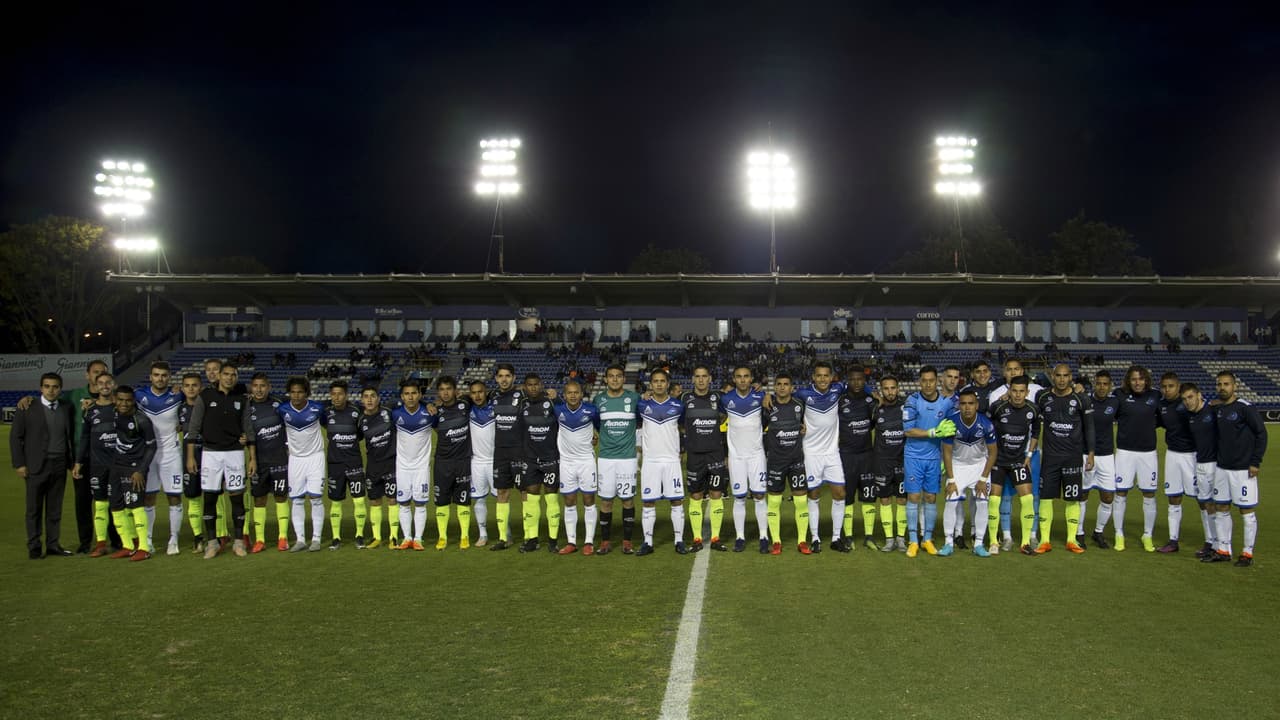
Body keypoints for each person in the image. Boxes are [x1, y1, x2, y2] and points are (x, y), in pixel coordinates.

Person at [17, 359, 111, 552]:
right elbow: (50, 399)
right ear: (87, 375)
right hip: (80, 458)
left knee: (111, 500)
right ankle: (85, 543)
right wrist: (29, 398)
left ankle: (116, 541)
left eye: (102, 372)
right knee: (82, 502)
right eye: (95, 372)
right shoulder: (73, 396)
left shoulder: (116, 398)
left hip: (107, 456)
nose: (98, 375)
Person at [187, 362, 250, 559]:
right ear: (220, 376)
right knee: (210, 498)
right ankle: (212, 543)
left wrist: (251, 455)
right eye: (226, 374)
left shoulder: (241, 399)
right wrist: (190, 456)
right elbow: (193, 427)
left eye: (233, 375)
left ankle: (238, 542)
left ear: (237, 377)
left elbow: (247, 428)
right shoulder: (205, 396)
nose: (229, 378)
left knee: (237, 498)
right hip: (211, 454)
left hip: (235, 453)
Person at [10, 372, 77, 559]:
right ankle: (34, 546)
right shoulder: (27, 407)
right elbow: (15, 437)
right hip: (36, 466)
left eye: (55, 387)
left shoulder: (66, 407)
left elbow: (70, 434)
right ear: (41, 388)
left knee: (55, 509)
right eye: (47, 386)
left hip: (59, 464)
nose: (51, 390)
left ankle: (53, 544)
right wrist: (19, 464)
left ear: (60, 389)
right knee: (34, 509)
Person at [1207, 371, 1267, 567]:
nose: (1222, 388)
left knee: (1246, 510)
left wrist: (1255, 462)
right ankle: (1224, 550)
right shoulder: (1218, 409)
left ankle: (1247, 553)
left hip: (1243, 469)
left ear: (1235, 386)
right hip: (1222, 468)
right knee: (1221, 508)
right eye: (1219, 384)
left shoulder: (1245, 408)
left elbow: (1261, 434)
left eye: (1226, 384)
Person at [1035, 363, 1094, 554]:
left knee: (1073, 498)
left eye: (1065, 375)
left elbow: (1089, 427)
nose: (1061, 379)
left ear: (1070, 377)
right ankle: (1044, 540)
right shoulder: (1042, 396)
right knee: (1046, 497)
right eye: (1058, 375)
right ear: (1052, 376)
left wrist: (1091, 453)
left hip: (1072, 457)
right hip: (1050, 458)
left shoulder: (1081, 398)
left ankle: (1071, 539)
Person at [793, 361, 848, 553]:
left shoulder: (838, 389)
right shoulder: (803, 394)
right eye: (819, 375)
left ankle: (836, 538)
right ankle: (815, 537)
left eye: (826, 375)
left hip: (832, 452)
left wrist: (873, 393)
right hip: (811, 453)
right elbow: (787, 403)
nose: (823, 379)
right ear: (813, 377)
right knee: (814, 494)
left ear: (831, 377)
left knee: (839, 493)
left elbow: (859, 386)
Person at [901, 366, 957, 557]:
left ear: (937, 381)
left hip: (934, 458)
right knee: (914, 497)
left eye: (931, 380)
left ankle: (927, 539)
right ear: (919, 381)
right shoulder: (912, 400)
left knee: (931, 498)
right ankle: (913, 541)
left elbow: (951, 429)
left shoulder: (946, 404)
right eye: (924, 381)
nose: (927, 384)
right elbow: (908, 430)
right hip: (913, 457)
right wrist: (932, 433)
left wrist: (944, 457)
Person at [134, 361, 185, 556]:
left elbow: (198, 394)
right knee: (148, 497)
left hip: (171, 454)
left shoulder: (178, 395)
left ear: (169, 377)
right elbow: (116, 400)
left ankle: (174, 539)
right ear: (150, 377)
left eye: (164, 375)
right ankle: (147, 540)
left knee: (174, 496)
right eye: (156, 375)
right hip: (147, 454)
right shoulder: (138, 395)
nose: (160, 378)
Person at [986, 376, 1040, 555]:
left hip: (1018, 461)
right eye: (1014, 391)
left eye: (1021, 391)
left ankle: (1025, 543)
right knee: (994, 500)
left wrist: (1029, 455)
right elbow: (987, 429)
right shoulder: (998, 407)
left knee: (1028, 499)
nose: (1017, 395)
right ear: (1009, 391)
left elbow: (1036, 433)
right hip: (999, 461)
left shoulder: (1033, 410)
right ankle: (994, 541)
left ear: (1027, 392)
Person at [939, 387, 996, 557]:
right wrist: (951, 480)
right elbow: (947, 452)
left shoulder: (986, 424)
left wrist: (983, 478)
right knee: (950, 501)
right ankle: (948, 542)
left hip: (979, 466)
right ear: (959, 405)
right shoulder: (951, 422)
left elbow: (993, 452)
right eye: (963, 404)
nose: (967, 407)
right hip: (958, 466)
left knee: (982, 502)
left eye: (971, 403)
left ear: (977, 405)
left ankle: (978, 543)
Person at [103, 386, 158, 561]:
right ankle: (127, 546)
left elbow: (152, 447)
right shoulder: (114, 413)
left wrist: (141, 470)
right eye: (120, 400)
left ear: (133, 401)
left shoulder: (142, 420)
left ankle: (144, 548)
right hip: (116, 466)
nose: (124, 404)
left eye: (128, 400)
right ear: (115, 399)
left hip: (134, 469)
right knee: (116, 506)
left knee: (136, 506)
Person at [636, 368, 687, 555]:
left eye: (662, 381)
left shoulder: (678, 406)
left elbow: (683, 427)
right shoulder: (642, 405)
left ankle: (679, 541)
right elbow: (637, 424)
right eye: (655, 381)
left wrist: (681, 450)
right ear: (651, 384)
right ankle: (647, 542)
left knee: (676, 501)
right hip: (650, 461)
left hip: (671, 460)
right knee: (649, 502)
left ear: (667, 384)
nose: (659, 384)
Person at [1112, 365, 1161, 552]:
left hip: (1148, 453)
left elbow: (1163, 416)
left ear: (1146, 380)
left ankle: (1147, 535)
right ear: (1128, 381)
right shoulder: (1119, 395)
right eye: (1134, 379)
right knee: (1120, 493)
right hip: (1125, 452)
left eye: (1141, 379)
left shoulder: (1155, 396)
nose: (1137, 382)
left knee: (1149, 494)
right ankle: (1119, 534)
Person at [592, 364, 640, 554]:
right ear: (605, 379)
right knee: (606, 501)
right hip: (605, 458)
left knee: (627, 500)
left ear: (624, 379)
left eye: (618, 376)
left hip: (627, 459)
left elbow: (641, 420)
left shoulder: (634, 398)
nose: (614, 379)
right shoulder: (598, 400)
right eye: (611, 376)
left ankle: (627, 541)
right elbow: (597, 424)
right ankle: (605, 541)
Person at [721, 365, 769, 553]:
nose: (742, 379)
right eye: (739, 376)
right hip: (736, 457)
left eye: (746, 376)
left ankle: (763, 536)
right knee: (739, 497)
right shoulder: (725, 399)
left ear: (751, 379)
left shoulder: (761, 396)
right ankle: (740, 537)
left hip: (756, 456)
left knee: (759, 496)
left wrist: (767, 394)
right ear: (734, 379)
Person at [277, 377, 328, 552]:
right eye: (293, 392)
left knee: (316, 498)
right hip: (295, 459)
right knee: (297, 500)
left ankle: (316, 539)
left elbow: (328, 425)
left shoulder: (318, 408)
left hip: (315, 458)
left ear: (306, 393)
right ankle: (300, 540)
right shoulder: (282, 410)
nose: (296, 395)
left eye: (300, 392)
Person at [680, 365, 727, 552]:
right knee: (696, 495)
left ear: (710, 378)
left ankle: (715, 538)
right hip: (695, 455)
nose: (701, 380)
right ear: (693, 379)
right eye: (697, 376)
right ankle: (697, 539)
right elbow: (678, 421)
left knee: (716, 493)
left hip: (715, 453)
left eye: (704, 376)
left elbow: (727, 414)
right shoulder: (684, 398)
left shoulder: (718, 398)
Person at [243, 373, 292, 552]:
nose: (259, 389)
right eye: (255, 386)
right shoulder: (247, 408)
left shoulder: (280, 404)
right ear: (251, 387)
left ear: (269, 387)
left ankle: (283, 538)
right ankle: (260, 540)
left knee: (280, 496)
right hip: (259, 461)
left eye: (262, 386)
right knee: (259, 499)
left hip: (279, 459)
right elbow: (245, 434)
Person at [73, 371, 119, 556]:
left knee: (120, 505)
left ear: (114, 384)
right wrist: (78, 462)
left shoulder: (121, 407)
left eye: (108, 382)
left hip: (119, 464)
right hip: (97, 465)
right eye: (101, 383)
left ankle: (123, 541)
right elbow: (84, 438)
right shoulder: (90, 411)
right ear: (96, 386)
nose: (105, 386)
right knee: (100, 504)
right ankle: (101, 544)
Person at [763, 372, 810, 555]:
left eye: (786, 384)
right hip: (776, 461)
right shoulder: (768, 406)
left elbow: (806, 423)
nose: (782, 387)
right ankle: (776, 541)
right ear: (775, 387)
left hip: (796, 460)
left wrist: (803, 426)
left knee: (801, 501)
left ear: (792, 388)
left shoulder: (799, 405)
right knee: (774, 501)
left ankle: (802, 541)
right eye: (779, 384)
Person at [517, 373, 562, 553]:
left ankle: (553, 540)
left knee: (551, 498)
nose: (533, 387)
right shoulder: (522, 404)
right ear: (525, 387)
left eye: (536, 384)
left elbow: (566, 420)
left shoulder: (552, 402)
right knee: (532, 498)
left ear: (541, 385)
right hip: (530, 459)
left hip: (550, 458)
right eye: (530, 385)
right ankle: (533, 539)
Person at [555, 379, 600, 555]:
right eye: (569, 393)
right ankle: (571, 542)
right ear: (564, 395)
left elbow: (599, 428)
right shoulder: (558, 410)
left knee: (589, 500)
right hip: (566, 462)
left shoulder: (591, 410)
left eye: (576, 392)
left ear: (581, 394)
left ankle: (589, 541)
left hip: (586, 461)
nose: (573, 395)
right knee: (569, 501)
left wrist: (595, 437)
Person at [838, 363, 880, 550]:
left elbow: (874, 423)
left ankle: (869, 536)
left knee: (869, 496)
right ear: (848, 380)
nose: (856, 383)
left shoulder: (872, 401)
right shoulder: (840, 401)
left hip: (867, 455)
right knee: (847, 498)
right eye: (853, 379)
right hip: (846, 456)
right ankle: (848, 536)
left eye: (860, 379)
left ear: (865, 380)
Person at [323, 380, 367, 550]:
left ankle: (359, 536)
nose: (336, 397)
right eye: (333, 394)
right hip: (335, 464)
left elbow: (361, 433)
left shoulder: (357, 411)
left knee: (359, 500)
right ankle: (336, 538)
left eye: (340, 394)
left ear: (346, 395)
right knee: (335, 501)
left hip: (354, 462)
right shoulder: (326, 412)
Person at [392, 379, 436, 550]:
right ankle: (406, 538)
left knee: (420, 503)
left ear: (420, 395)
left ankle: (418, 539)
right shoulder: (395, 414)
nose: (410, 397)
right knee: (403, 503)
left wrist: (428, 404)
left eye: (414, 393)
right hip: (402, 467)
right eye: (407, 394)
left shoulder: (430, 414)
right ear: (402, 396)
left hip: (421, 467)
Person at [1156, 371, 1197, 553]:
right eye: (1164, 387)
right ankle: (1173, 541)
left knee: (1203, 499)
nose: (1167, 390)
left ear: (1178, 387)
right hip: (1172, 455)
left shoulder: (1188, 403)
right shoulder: (1162, 405)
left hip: (1193, 456)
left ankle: (1211, 542)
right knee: (1173, 497)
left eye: (1171, 386)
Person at [487, 364, 525, 551]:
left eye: (507, 376)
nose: (504, 379)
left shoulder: (523, 395)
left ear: (514, 377)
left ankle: (530, 535)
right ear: (496, 378)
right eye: (501, 376)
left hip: (520, 451)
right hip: (500, 452)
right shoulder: (492, 396)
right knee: (502, 493)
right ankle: (504, 537)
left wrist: (553, 394)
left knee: (525, 493)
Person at [1180, 383, 1220, 559]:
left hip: (1218, 465)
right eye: (1184, 399)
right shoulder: (1191, 416)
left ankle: (1222, 545)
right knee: (1206, 504)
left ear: (1199, 395)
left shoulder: (1213, 411)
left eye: (1190, 397)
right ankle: (1211, 542)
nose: (1188, 401)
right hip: (1201, 464)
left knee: (1220, 506)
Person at [872, 376, 909, 552]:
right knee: (885, 499)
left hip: (902, 460)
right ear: (881, 390)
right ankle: (889, 539)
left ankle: (901, 538)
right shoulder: (875, 408)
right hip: (882, 462)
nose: (890, 392)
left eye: (893, 388)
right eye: (886, 388)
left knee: (902, 499)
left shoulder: (907, 407)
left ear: (898, 388)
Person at [359, 386, 399, 547]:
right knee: (374, 501)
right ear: (362, 400)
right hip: (373, 466)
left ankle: (393, 537)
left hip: (391, 463)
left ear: (378, 399)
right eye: (366, 396)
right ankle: (376, 537)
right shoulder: (360, 420)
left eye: (372, 396)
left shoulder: (388, 412)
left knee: (392, 499)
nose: (369, 399)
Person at [1085, 370, 1120, 549]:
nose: (1101, 387)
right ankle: (1078, 532)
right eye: (1098, 383)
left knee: (1107, 496)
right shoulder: (1085, 401)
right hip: (1085, 454)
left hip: (1106, 455)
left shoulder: (1115, 402)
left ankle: (1098, 531)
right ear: (1094, 384)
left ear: (1110, 385)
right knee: (1082, 495)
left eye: (1105, 384)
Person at [177, 372, 208, 551]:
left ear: (200, 388)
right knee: (193, 498)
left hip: (209, 457)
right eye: (187, 385)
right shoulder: (179, 410)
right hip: (189, 459)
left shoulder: (208, 408)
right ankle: (198, 537)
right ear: (182, 388)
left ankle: (218, 535)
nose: (191, 389)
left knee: (212, 497)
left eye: (194, 385)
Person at [467, 380, 495, 546]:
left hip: (495, 461)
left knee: (502, 498)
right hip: (476, 462)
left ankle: (505, 532)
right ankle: (483, 534)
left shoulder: (495, 408)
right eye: (474, 392)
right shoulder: (467, 410)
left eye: (480, 392)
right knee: (479, 499)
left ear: (486, 392)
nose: (477, 395)